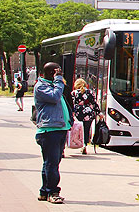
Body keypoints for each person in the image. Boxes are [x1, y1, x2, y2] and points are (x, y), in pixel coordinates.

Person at [33, 63, 72, 204]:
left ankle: (44, 191)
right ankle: (53, 192)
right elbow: (55, 97)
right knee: (52, 164)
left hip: (59, 128)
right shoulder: (41, 86)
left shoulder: (54, 85)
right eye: (58, 71)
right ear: (51, 72)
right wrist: (58, 80)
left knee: (50, 163)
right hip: (50, 130)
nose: (61, 74)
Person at [71, 78, 100, 154]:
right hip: (88, 113)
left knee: (77, 130)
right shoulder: (90, 92)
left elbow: (71, 103)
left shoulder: (74, 93)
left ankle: (77, 142)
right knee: (86, 130)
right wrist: (98, 112)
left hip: (78, 113)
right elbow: (94, 103)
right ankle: (85, 145)